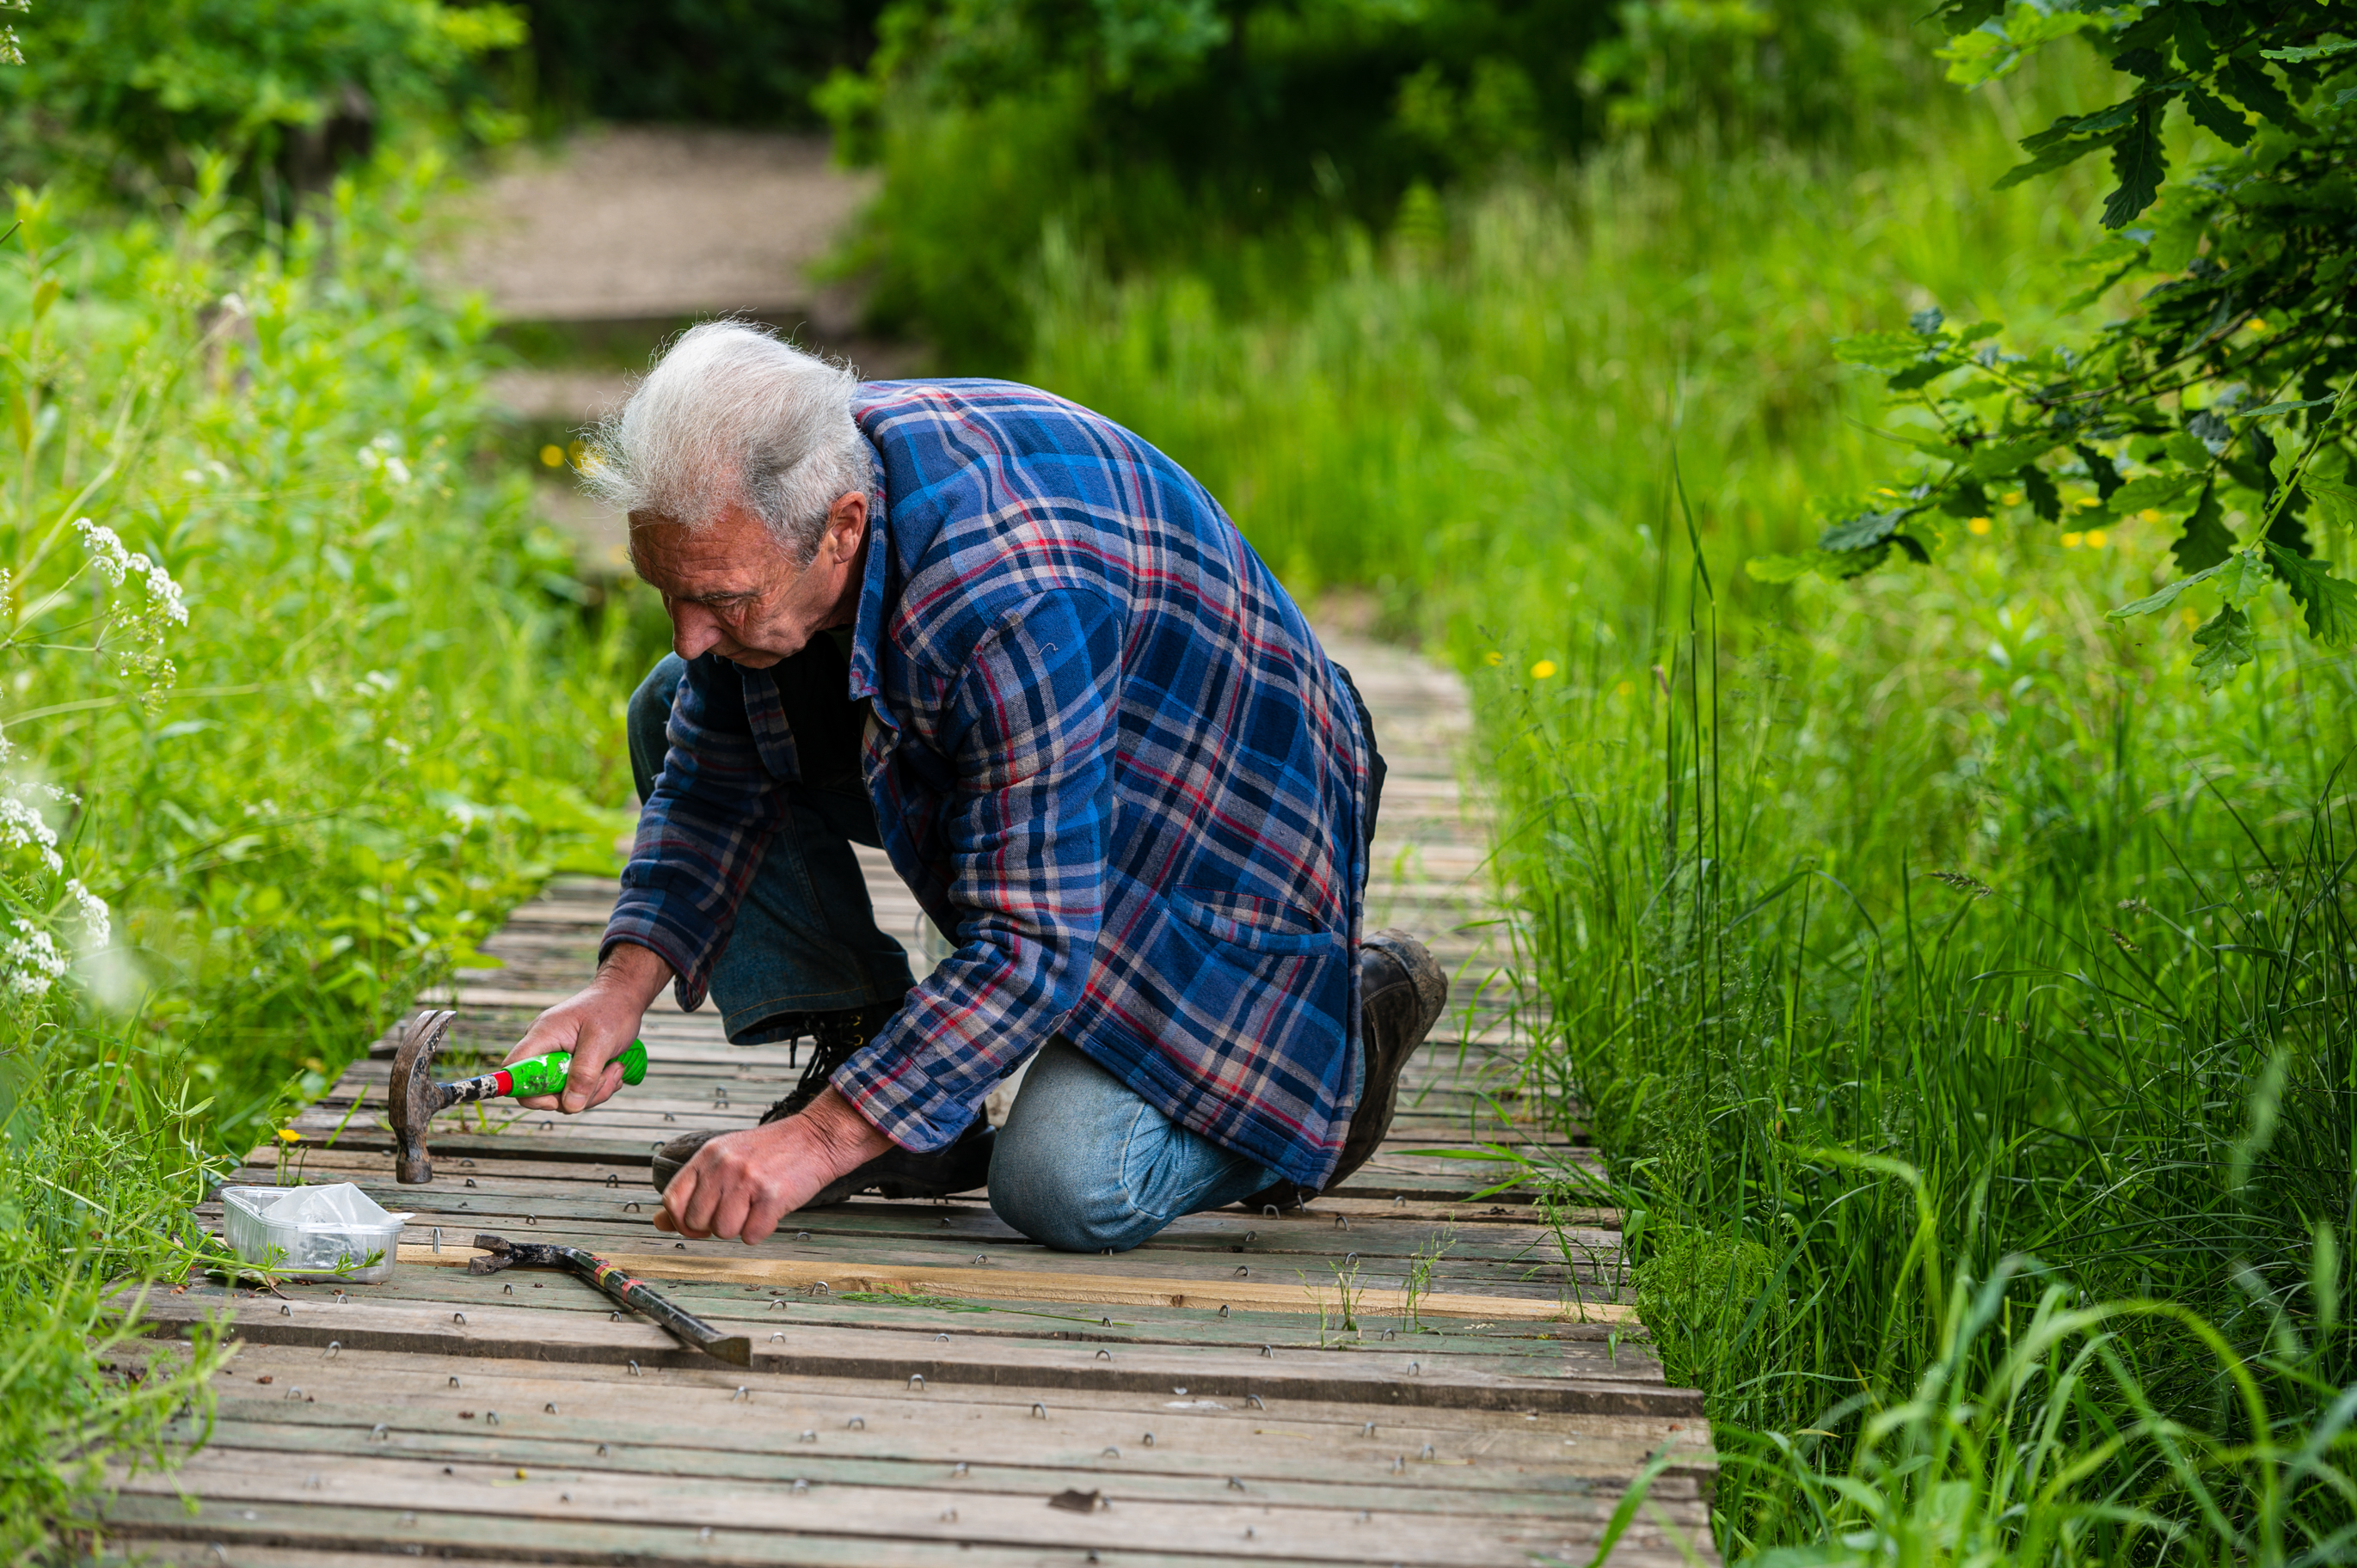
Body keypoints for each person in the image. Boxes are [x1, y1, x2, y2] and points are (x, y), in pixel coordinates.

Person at [501, 322, 1446, 1253]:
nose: (689, 631)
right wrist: (615, 991)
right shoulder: (777, 481)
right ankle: (893, 1081)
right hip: (1054, 745)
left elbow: (1031, 942)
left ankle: (1334, 1053)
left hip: (1220, 819)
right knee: (671, 702)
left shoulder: (1008, 598)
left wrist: (817, 1140)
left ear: (843, 528)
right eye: (667, 591)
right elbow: (711, 773)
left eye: (722, 599)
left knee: (1064, 1186)